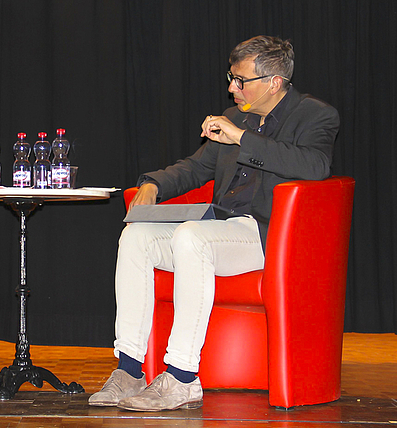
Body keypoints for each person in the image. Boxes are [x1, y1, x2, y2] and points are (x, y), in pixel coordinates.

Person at [89, 36, 339, 412]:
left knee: (193, 236)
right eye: (231, 78)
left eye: (241, 81)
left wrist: (241, 137)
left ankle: (182, 378)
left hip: (267, 234)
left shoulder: (314, 115)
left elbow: (314, 167)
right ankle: (129, 369)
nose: (231, 88)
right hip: (219, 227)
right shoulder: (236, 116)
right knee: (136, 236)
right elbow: (196, 167)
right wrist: (153, 183)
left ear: (273, 81)